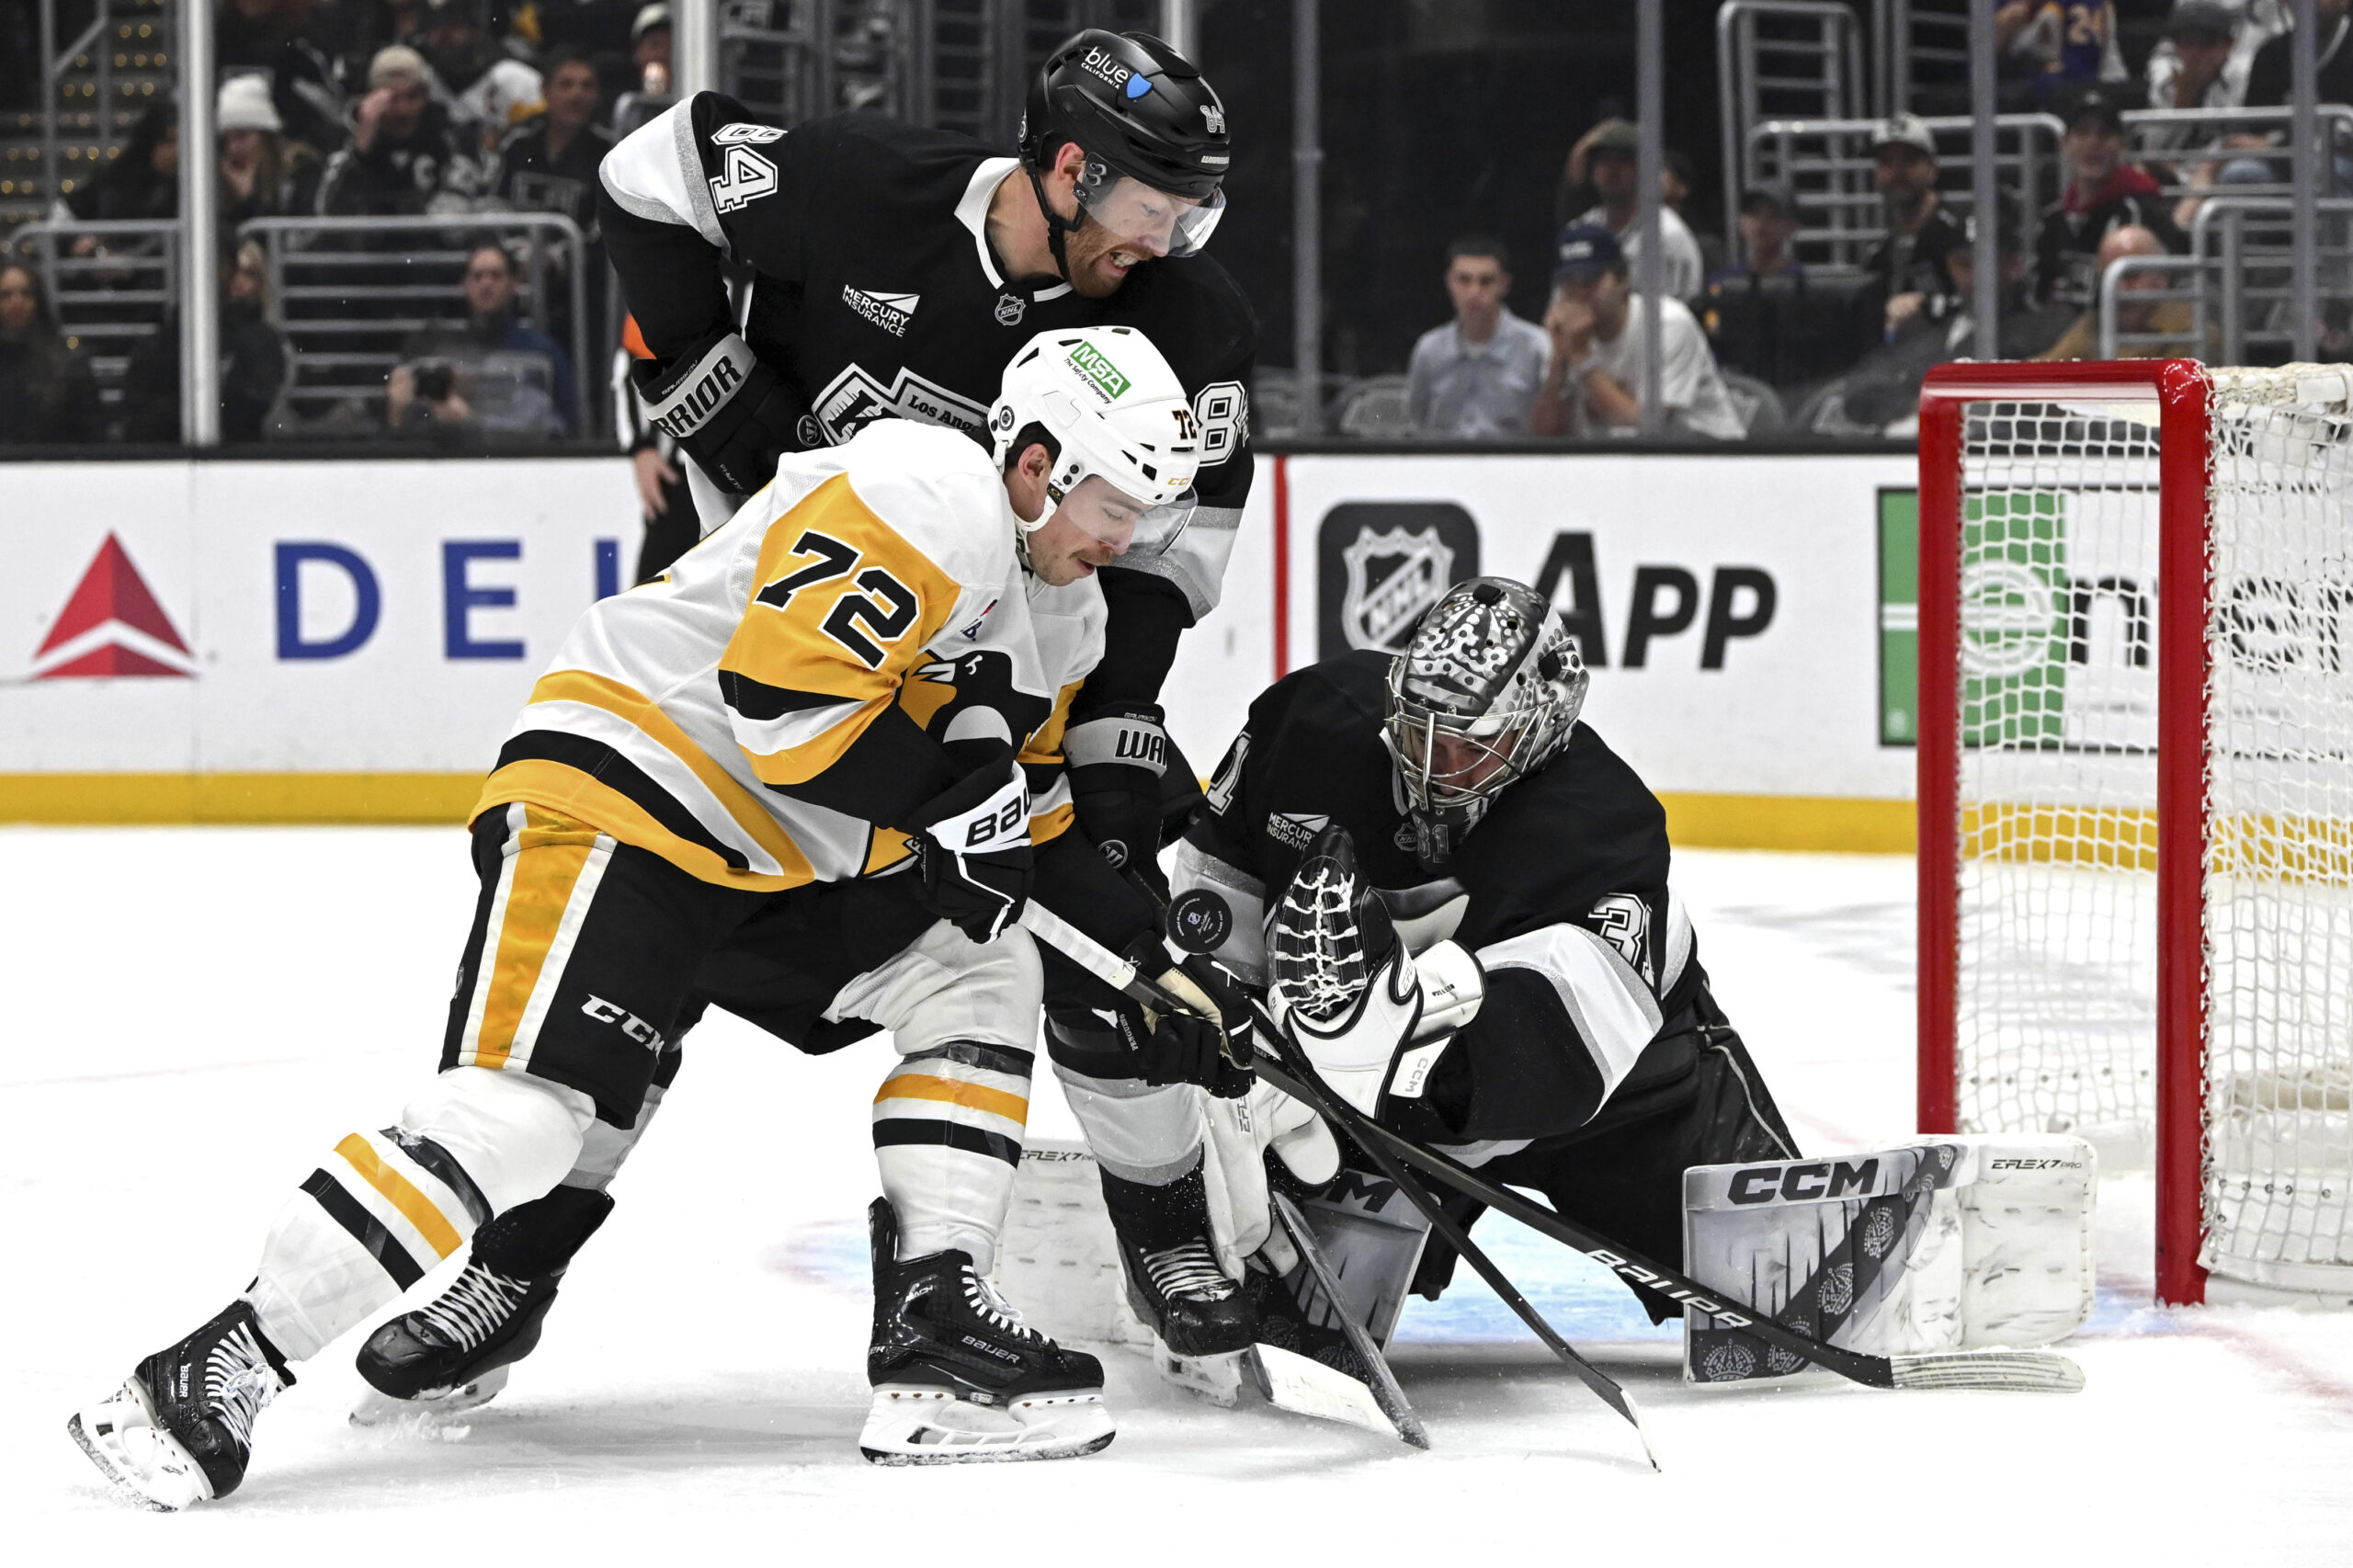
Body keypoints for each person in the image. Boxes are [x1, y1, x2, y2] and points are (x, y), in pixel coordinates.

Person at [66, 325, 1256, 1506]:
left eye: (1154, 517)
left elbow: (1029, 831)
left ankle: (936, 1334)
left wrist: (1153, 965)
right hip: (631, 798)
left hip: (776, 865)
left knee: (980, 971)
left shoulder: (1064, 616)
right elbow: (785, 710)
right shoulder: (925, 487)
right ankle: (209, 1367)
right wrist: (959, 816)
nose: (1131, 539)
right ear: (1039, 464)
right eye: (1120, 503)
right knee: (524, 1119)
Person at [597, 27, 1254, 886]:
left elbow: (1167, 548)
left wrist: (1116, 716)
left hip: (989, 672)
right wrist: (710, 381)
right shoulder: (861, 184)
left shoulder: (1191, 322)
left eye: (1189, 216)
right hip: (762, 614)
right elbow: (645, 177)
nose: (1166, 243)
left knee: (1078, 933)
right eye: (1152, 209)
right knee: (655, 865)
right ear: (1068, 170)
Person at [1138, 576, 1800, 1352]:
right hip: (1360, 1093)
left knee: (1779, 1295)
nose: (1430, 764)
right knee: (1278, 1305)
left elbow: (1554, 1063)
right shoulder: (1309, 722)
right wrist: (1243, 1039)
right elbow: (1217, 895)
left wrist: (1384, 1053)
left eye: (1467, 746)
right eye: (1417, 729)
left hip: (1625, 1088)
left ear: (1540, 727)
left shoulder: (1602, 827)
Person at [1532, 224, 1745, 441]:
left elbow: (1646, 427)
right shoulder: (1562, 331)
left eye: (1589, 281)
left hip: (1710, 456)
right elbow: (1545, 436)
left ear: (1623, 279)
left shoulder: (1666, 323)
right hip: (1616, 462)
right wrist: (1558, 364)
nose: (1579, 294)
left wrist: (1582, 357)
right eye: (1569, 284)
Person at [387, 240, 578, 439]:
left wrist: (469, 421)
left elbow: (565, 427)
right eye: (477, 276)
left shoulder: (541, 351)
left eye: (496, 276)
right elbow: (403, 432)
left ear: (514, 283)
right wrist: (398, 411)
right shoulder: (437, 347)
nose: (486, 284)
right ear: (465, 285)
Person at [118, 240, 290, 444]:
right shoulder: (171, 337)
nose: (238, 281)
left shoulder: (266, 342)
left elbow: (255, 409)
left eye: (248, 274)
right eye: (232, 272)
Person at [2033, 86, 2184, 313]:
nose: (2093, 144)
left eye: (2104, 134)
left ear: (2121, 145)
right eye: (2082, 133)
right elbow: (2039, 292)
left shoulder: (2143, 211)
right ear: (2065, 144)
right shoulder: (2053, 217)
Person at [316, 43, 492, 220]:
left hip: (431, 240)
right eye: (392, 98)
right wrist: (360, 149)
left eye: (412, 97)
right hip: (368, 242)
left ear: (426, 95)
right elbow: (329, 213)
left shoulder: (448, 136)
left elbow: (469, 203)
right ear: (372, 96)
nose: (403, 110)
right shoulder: (345, 137)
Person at [1403, 235, 1550, 438]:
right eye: (1464, 280)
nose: (1474, 292)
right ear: (1449, 282)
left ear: (1504, 284)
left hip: (1512, 464)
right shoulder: (1429, 349)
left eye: (1486, 281)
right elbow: (1417, 415)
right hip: (1444, 463)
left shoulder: (1537, 346)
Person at [1853, 113, 1967, 354]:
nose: (1897, 172)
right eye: (1886, 162)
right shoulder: (1878, 251)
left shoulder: (1961, 233)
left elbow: (1985, 304)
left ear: (1932, 170)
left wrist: (1926, 305)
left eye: (1908, 161)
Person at [1560, 118, 1707, 302]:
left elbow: (1676, 320)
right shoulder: (1579, 232)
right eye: (1603, 160)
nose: (1612, 170)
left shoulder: (1668, 236)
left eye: (1624, 161)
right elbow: (1562, 306)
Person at [2034, 222, 2218, 360]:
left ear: (2162, 277)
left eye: (2131, 275)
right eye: (2109, 277)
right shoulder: (2094, 324)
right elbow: (2045, 369)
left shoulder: (2194, 334)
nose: (2119, 288)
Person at [488, 45, 612, 236]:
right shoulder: (517, 144)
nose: (577, 95)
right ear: (545, 90)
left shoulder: (609, 155)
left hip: (579, 262)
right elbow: (492, 205)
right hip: (513, 257)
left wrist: (558, 256)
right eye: (566, 85)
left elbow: (604, 230)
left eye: (587, 86)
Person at [0, 265, 102, 444]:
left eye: (26, 294)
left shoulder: (68, 362)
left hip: (56, 465)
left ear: (38, 301)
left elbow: (90, 431)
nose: (16, 303)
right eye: (5, 295)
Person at [217, 74, 322, 227]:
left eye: (242, 135)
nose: (233, 148)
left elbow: (294, 237)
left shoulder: (303, 173)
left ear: (267, 137)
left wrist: (249, 200)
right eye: (226, 141)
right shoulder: (225, 183)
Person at [1995, 1, 2127, 107]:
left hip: (2060, 83)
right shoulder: (2101, 4)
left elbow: (2024, 47)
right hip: (2089, 78)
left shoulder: (2053, 7)